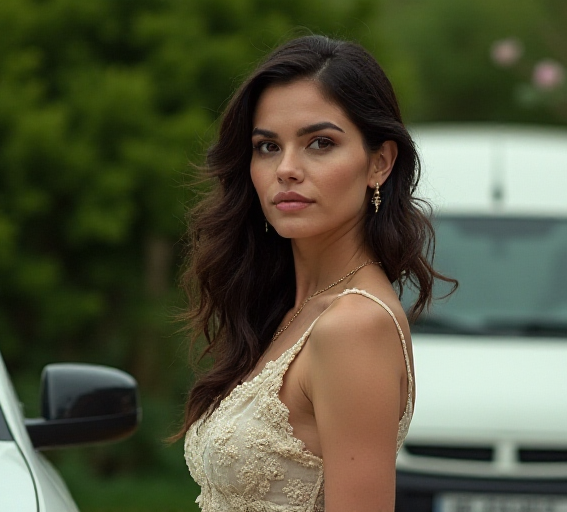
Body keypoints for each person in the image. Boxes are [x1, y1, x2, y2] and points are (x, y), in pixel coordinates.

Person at [177, 34, 453, 512]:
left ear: (379, 163)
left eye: (319, 143)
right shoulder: (290, 309)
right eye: (267, 147)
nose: (286, 169)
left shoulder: (355, 326)